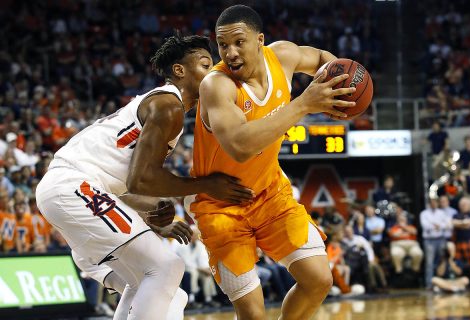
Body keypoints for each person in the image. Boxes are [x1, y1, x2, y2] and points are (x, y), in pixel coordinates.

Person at [35, 35, 253, 320]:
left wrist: (150, 213)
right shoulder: (167, 105)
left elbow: (127, 182)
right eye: (205, 64)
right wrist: (208, 185)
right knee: (166, 268)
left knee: (165, 289)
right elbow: (142, 180)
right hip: (74, 187)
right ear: (179, 71)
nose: (213, 72)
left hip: (80, 193)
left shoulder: (164, 107)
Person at [188, 5, 357, 319]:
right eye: (223, 45)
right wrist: (304, 103)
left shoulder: (283, 56)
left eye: (239, 42)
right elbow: (240, 146)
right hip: (220, 204)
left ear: (260, 40)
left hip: (269, 192)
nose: (230, 53)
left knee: (319, 279)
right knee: (253, 314)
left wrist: (340, 86)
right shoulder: (216, 85)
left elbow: (322, 58)